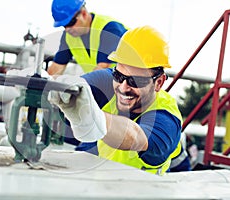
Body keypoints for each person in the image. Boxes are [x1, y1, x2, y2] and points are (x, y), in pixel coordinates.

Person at [48, 26, 191, 175]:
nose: (123, 87)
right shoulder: (109, 80)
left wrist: (93, 117)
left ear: (159, 83)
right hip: (105, 183)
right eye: (119, 76)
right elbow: (74, 86)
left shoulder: (167, 119)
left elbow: (134, 136)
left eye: (136, 81)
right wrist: (51, 85)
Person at [47, 0, 128, 75]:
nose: (68, 29)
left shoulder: (109, 29)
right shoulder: (68, 37)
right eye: (64, 25)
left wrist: (82, 85)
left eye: (71, 23)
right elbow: (57, 67)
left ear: (84, 13)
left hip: (131, 86)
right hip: (101, 86)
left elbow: (103, 67)